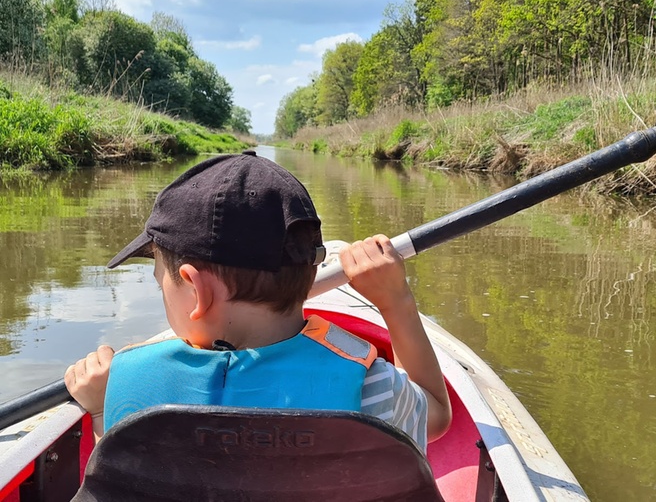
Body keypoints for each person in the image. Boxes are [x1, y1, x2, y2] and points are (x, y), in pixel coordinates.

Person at [63, 150, 451, 453]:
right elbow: (435, 418)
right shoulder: (372, 389)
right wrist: (395, 300)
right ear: (310, 274)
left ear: (195, 291)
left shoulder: (128, 386)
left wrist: (100, 410)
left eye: (159, 282)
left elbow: (119, 481)